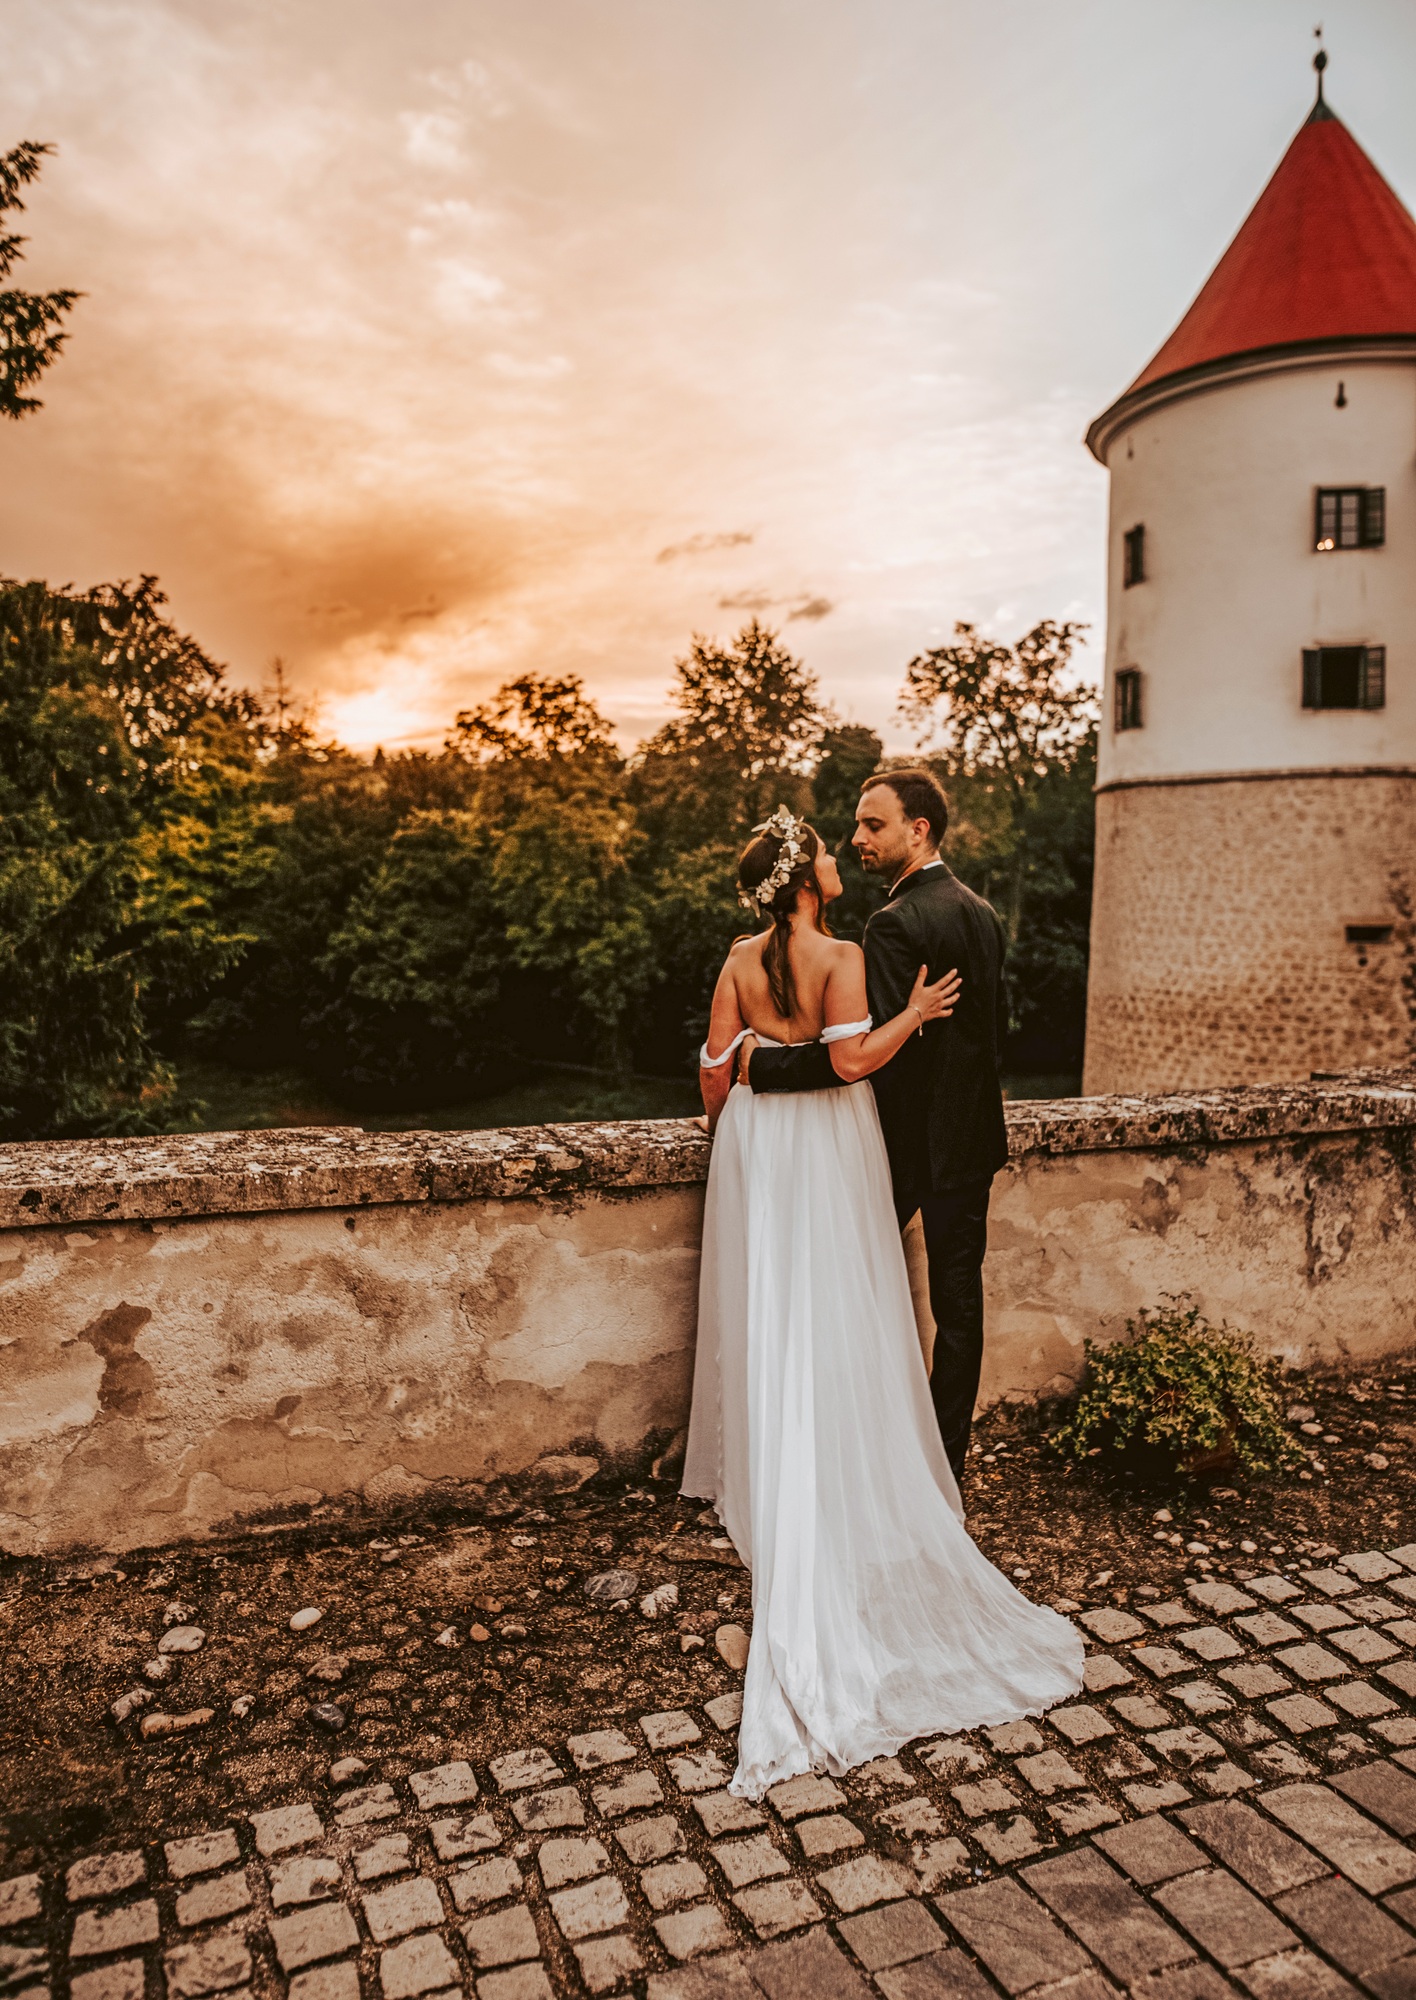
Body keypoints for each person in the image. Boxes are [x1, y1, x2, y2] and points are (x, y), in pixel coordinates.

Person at [682, 805, 1082, 1797]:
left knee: (768, 1303)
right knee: (836, 1305)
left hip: (756, 1148)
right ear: (807, 879)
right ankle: (868, 1464)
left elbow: (710, 1077)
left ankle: (774, 1467)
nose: (837, 853)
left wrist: (747, 1076)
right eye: (824, 847)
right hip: (823, 1142)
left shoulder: (738, 954)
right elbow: (856, 1060)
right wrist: (915, 1014)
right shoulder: (846, 954)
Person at [745, 768, 1006, 1480]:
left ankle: (836, 1450)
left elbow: (859, 1057)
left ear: (918, 830)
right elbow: (993, 1037)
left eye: (873, 824)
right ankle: (943, 1468)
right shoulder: (981, 913)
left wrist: (760, 1067)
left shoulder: (891, 924)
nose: (858, 837)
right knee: (958, 1312)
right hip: (970, 1146)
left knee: (839, 1294)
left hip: (895, 1149)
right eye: (858, 826)